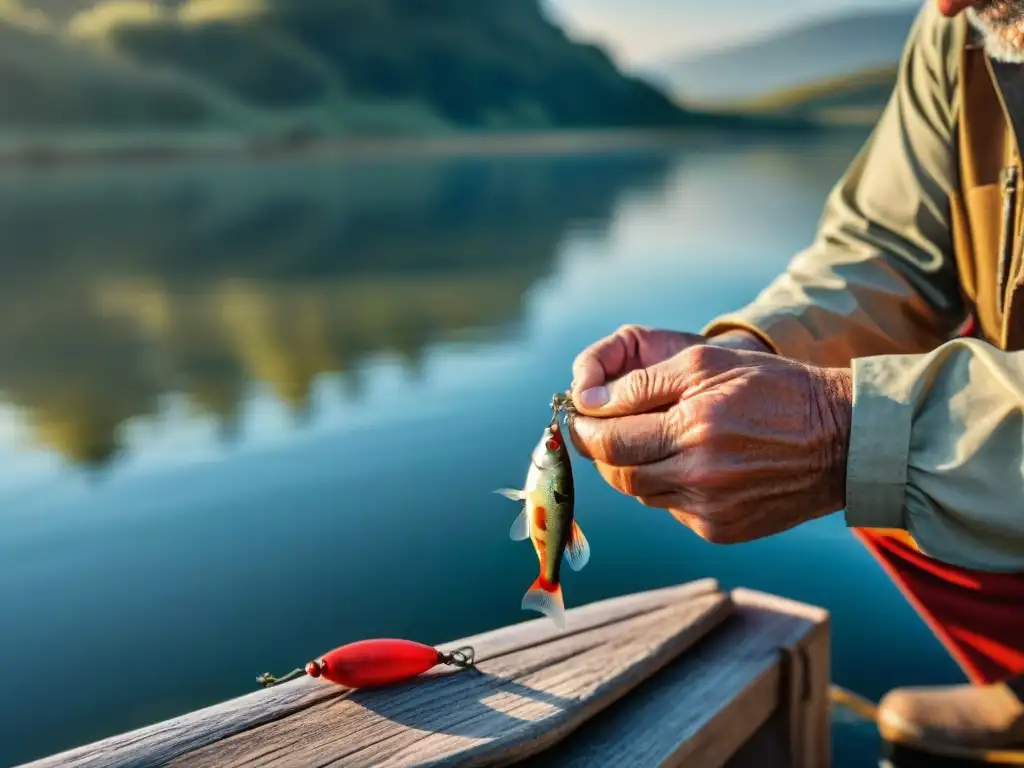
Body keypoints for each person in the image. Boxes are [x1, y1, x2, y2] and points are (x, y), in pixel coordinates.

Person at [566, 0, 1024, 754]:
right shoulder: (964, 24)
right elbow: (888, 247)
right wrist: (754, 353)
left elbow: (867, 426)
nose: (941, 5)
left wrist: (847, 431)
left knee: (891, 447)